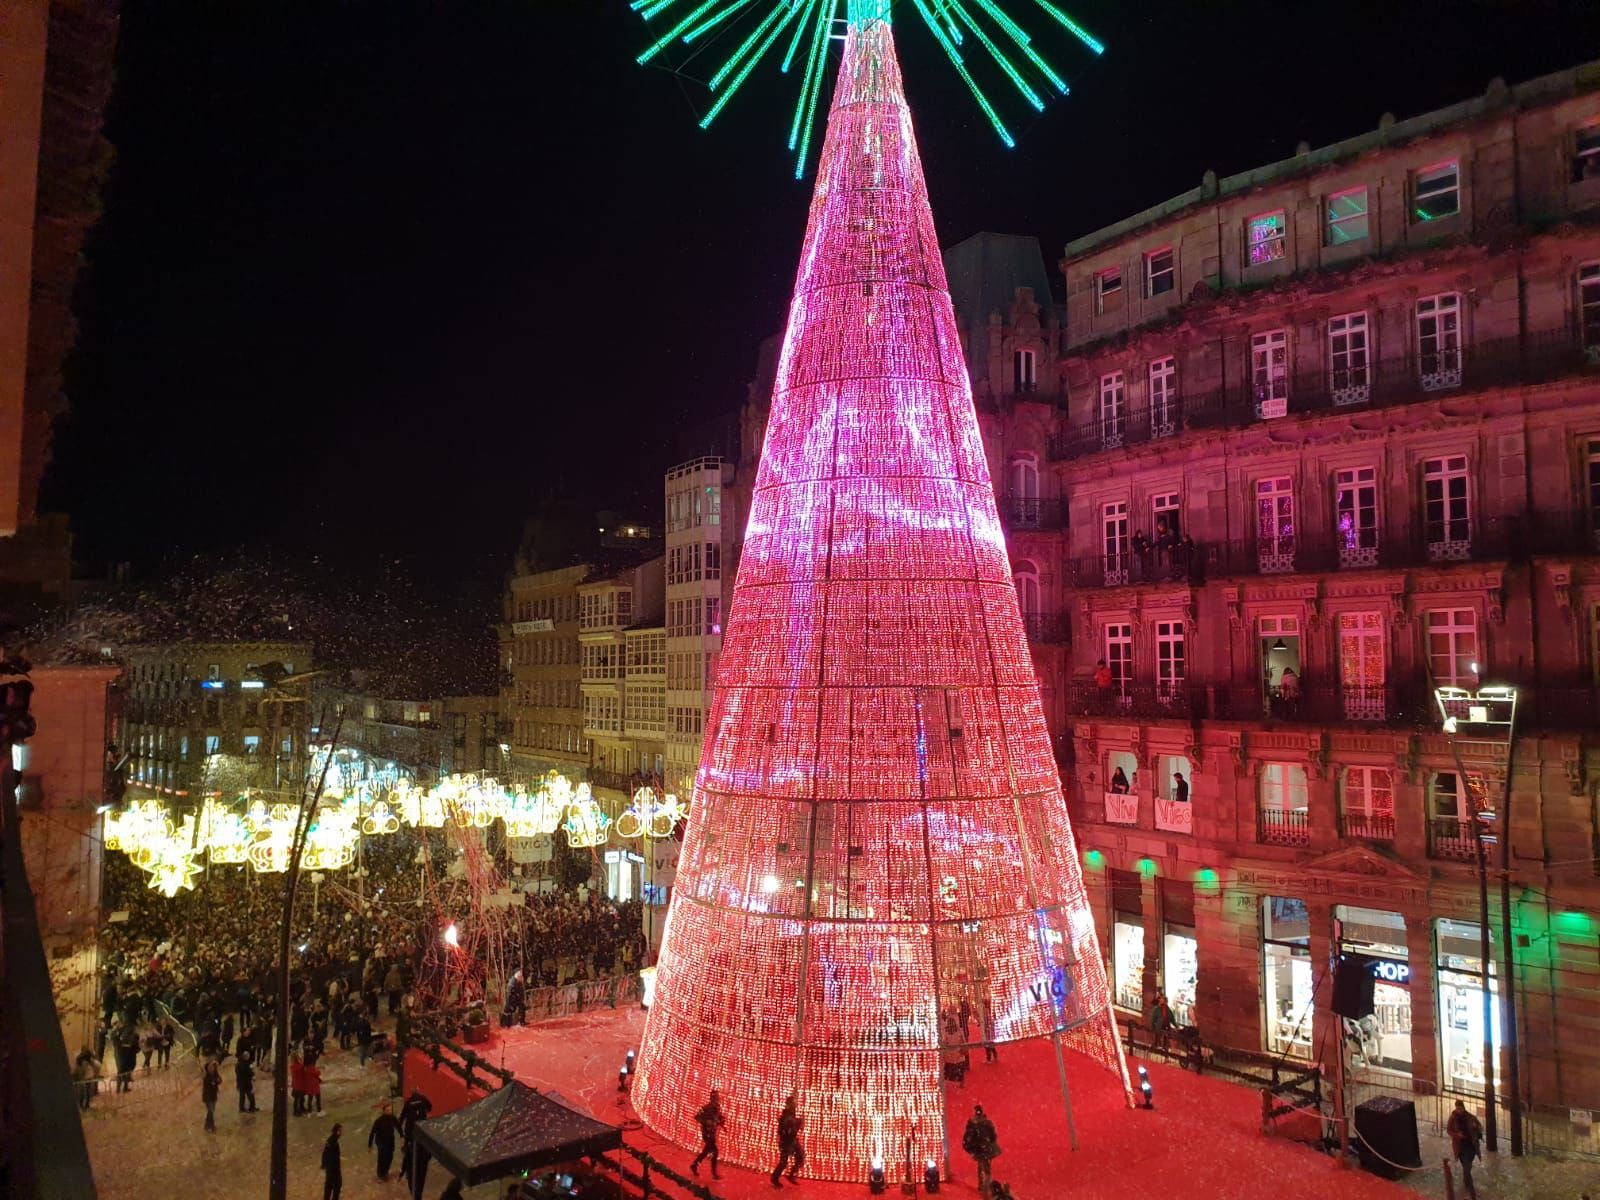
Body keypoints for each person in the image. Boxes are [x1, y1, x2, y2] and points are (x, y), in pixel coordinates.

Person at [962, 1103, 1000, 1200]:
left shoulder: (971, 1123)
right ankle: (985, 1192)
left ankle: (980, 1183)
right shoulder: (987, 1123)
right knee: (987, 1170)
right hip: (987, 1149)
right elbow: (993, 1135)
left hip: (978, 1149)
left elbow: (967, 1136)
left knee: (980, 1164)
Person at [1447, 1099, 1483, 1199]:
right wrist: (1457, 1135)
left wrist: (1476, 1128)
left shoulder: (1470, 1117)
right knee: (1466, 1165)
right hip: (1461, 1146)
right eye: (1457, 1108)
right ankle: (1469, 1184)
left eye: (1460, 1108)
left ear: (1463, 1107)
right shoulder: (1453, 1119)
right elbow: (1449, 1130)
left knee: (1468, 1164)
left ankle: (1467, 1180)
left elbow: (1480, 1126)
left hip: (1470, 1145)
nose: (1459, 1110)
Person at [770, 1094, 805, 1188]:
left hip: (792, 1140)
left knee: (800, 1157)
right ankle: (775, 1178)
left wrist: (798, 1123)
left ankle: (791, 1175)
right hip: (786, 1142)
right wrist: (797, 1124)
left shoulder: (791, 1113)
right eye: (794, 1102)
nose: (796, 1104)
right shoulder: (787, 1115)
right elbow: (788, 1129)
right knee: (783, 1162)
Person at [690, 1088, 726, 1179]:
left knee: (706, 1152)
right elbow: (697, 1117)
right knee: (715, 1152)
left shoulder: (717, 1107)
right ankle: (714, 1174)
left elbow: (718, 1118)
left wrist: (721, 1122)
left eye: (718, 1097)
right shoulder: (706, 1108)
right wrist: (707, 1122)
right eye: (716, 1097)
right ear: (712, 1098)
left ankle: (694, 1165)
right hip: (707, 1134)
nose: (718, 1098)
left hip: (712, 1133)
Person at [369, 1101, 402, 1181]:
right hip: (381, 1142)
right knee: (382, 1158)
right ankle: (381, 1174)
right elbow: (372, 1132)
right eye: (388, 1110)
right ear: (384, 1111)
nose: (390, 1112)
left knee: (390, 1157)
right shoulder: (379, 1121)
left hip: (390, 1141)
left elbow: (398, 1127)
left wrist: (402, 1136)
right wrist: (370, 1145)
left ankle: (385, 1171)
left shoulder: (392, 1118)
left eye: (390, 1110)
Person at [322, 1123, 344, 1200]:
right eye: (341, 1130)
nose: (342, 1132)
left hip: (329, 1168)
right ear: (337, 1131)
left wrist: (324, 1164)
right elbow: (331, 1156)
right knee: (337, 1185)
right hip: (334, 1168)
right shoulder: (334, 1143)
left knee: (328, 1184)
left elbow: (324, 1153)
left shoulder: (330, 1140)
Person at [201, 1059, 222, 1133]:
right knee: (210, 1110)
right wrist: (215, 1082)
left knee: (211, 1111)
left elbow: (219, 1081)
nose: (212, 1069)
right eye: (210, 1068)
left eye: (212, 1067)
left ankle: (211, 1125)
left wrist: (217, 1081)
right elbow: (211, 1085)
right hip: (208, 1097)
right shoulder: (206, 1078)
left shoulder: (215, 1074)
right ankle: (208, 1126)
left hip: (213, 1096)